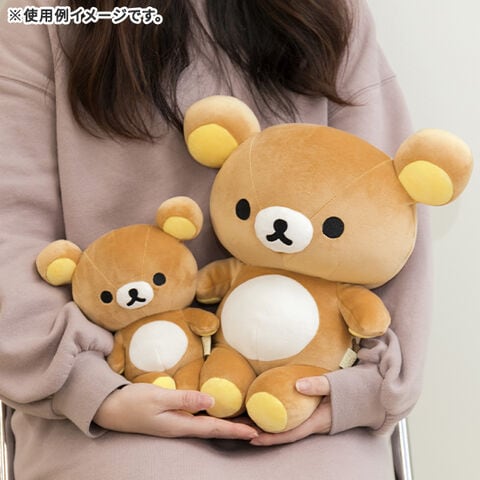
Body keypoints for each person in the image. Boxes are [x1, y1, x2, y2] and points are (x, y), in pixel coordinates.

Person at [0, 0, 432, 479]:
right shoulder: (40, 16)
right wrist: (94, 392)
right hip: (114, 389)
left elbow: (387, 208)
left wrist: (363, 390)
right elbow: (12, 225)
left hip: (307, 386)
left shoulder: (328, 10)